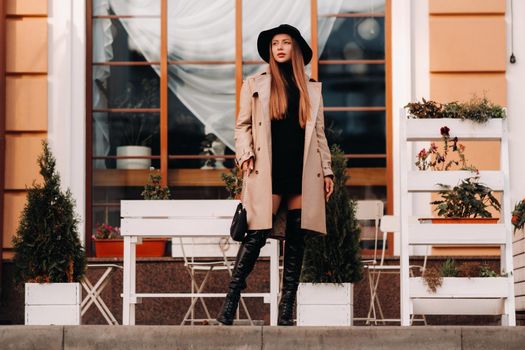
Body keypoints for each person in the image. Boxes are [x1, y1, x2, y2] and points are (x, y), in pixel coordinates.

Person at [217, 24, 334, 326]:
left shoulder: (311, 88)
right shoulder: (255, 83)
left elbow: (318, 134)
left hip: (302, 169)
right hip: (268, 169)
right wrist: (245, 155)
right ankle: (229, 306)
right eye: (274, 44)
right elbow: (242, 126)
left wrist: (328, 170)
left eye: (286, 43)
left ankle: (286, 313)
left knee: (296, 241)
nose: (280, 48)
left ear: (295, 49)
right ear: (270, 51)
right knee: (255, 236)